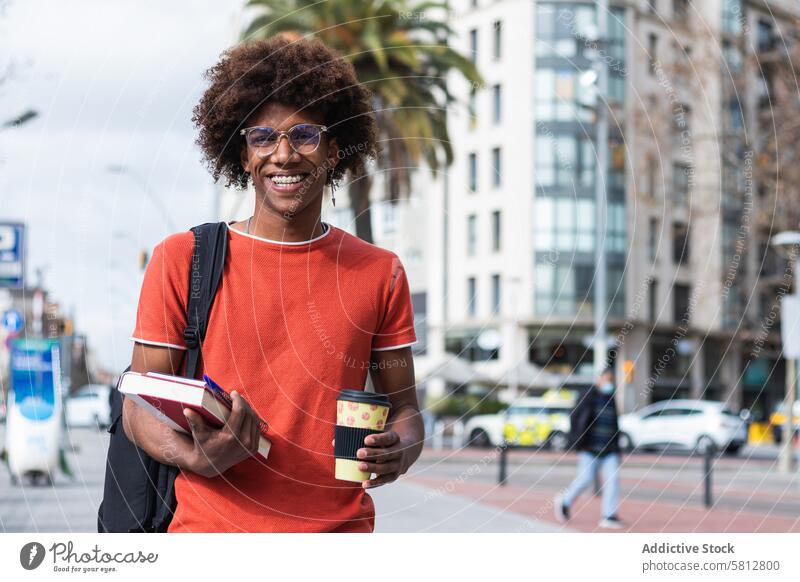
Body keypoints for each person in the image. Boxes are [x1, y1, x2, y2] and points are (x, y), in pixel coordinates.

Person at [121, 36, 424, 532]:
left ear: (332, 149)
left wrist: (400, 449)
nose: (283, 154)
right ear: (242, 155)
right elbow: (137, 405)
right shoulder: (181, 260)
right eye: (262, 138)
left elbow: (405, 409)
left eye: (304, 135)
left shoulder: (380, 271)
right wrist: (192, 456)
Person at [554, 368, 624, 529]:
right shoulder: (588, 396)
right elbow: (575, 417)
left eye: (611, 380)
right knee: (585, 479)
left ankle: (609, 515)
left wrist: (617, 446)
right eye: (607, 379)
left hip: (609, 450)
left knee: (613, 480)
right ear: (599, 379)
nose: (609, 383)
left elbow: (614, 423)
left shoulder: (611, 399)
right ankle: (565, 501)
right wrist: (577, 440)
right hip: (589, 448)